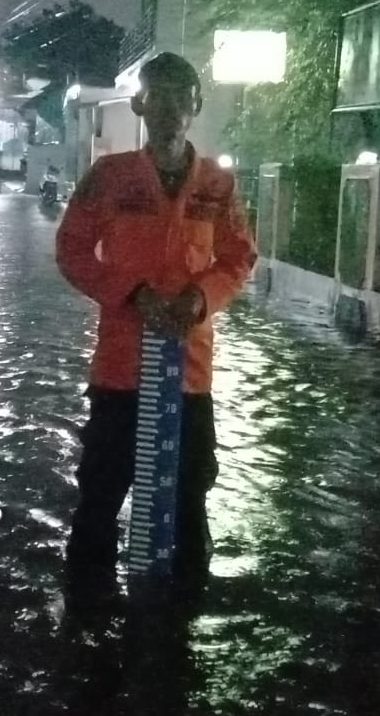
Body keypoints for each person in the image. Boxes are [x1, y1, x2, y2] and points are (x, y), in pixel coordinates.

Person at [55, 52, 258, 615]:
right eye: (157, 94)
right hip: (121, 369)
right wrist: (131, 292)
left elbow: (239, 257)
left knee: (191, 499)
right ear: (140, 103)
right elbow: (72, 249)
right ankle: (85, 621)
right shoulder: (109, 177)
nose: (169, 106)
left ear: (195, 105)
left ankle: (184, 627)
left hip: (190, 374)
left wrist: (200, 297)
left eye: (181, 95)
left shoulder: (218, 185)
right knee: (99, 498)